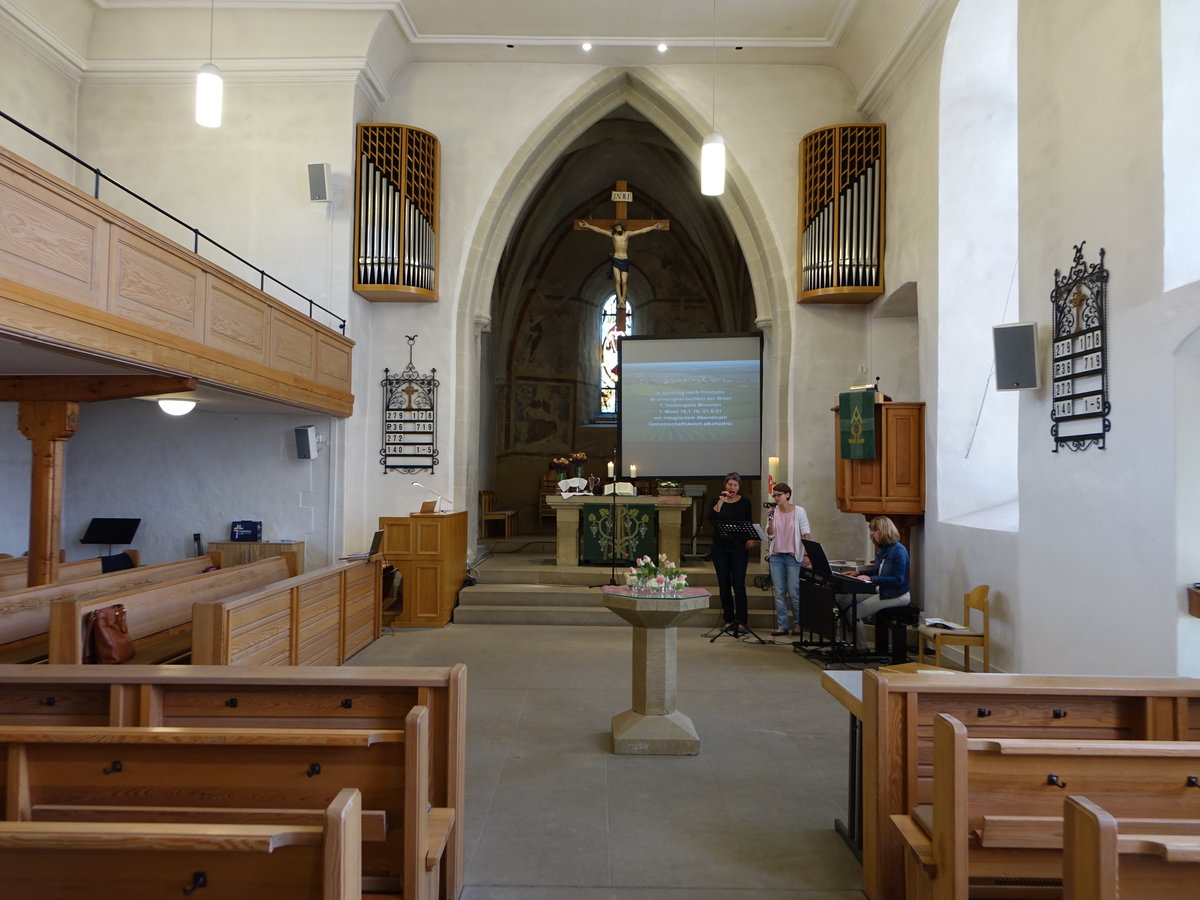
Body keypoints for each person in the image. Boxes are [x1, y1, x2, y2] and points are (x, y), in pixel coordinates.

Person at [839, 516, 911, 650]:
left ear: (885, 530)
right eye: (871, 530)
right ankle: (847, 643)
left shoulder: (899, 551)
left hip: (897, 595)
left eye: (875, 530)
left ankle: (861, 648)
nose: (872, 533)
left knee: (854, 612)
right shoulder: (884, 549)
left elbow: (898, 579)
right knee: (844, 601)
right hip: (883, 589)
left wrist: (872, 579)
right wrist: (859, 574)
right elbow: (878, 571)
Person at [708, 472, 757, 633]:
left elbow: (749, 520)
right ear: (725, 486)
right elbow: (711, 518)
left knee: (738, 583)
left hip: (738, 547)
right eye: (730, 484)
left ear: (739, 487)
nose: (732, 488)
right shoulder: (717, 500)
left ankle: (742, 621)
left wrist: (751, 538)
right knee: (724, 584)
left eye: (735, 485)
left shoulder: (745, 502)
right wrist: (721, 502)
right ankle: (728, 619)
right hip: (720, 547)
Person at [577, 220, 664, 304]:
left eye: (619, 227)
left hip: (624, 259)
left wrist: (653, 227)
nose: (618, 228)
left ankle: (623, 298)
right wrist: (588, 226)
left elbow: (642, 231)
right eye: (616, 227)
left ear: (621, 227)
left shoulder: (627, 234)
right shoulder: (613, 235)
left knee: (624, 281)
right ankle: (620, 299)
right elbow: (599, 230)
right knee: (618, 280)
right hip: (616, 258)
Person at [764, 482, 811, 636]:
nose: (777, 498)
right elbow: (770, 534)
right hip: (777, 556)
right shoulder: (773, 512)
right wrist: (770, 519)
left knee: (794, 591)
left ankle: (798, 624)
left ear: (787, 495)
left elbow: (806, 533)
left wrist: (806, 554)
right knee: (779, 592)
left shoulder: (799, 511)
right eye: (774, 495)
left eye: (779, 495)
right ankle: (782, 625)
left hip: (793, 556)